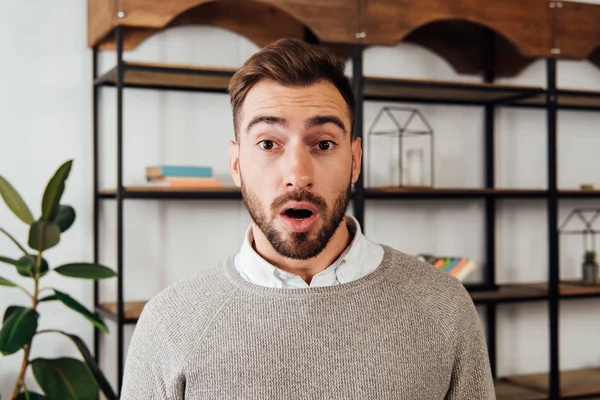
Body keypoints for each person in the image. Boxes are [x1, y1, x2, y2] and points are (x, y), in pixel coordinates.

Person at [120, 37, 495, 399]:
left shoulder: (444, 306)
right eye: (269, 143)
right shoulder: (169, 324)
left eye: (324, 144)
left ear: (355, 160)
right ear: (236, 164)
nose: (298, 175)